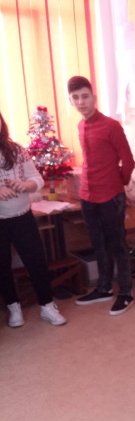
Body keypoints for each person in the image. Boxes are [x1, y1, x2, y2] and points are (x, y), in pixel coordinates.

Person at [67, 75, 135, 315]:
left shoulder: (111, 126)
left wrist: (119, 183)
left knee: (117, 244)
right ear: (71, 101)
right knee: (98, 244)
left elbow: (128, 160)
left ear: (93, 97)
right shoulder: (80, 126)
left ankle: (126, 292)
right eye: (76, 98)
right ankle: (104, 288)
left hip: (110, 195)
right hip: (87, 195)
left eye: (85, 96)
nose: (81, 102)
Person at [0, 112, 67, 327]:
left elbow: (36, 178)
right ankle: (13, 307)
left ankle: (47, 305)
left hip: (22, 216)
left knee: (36, 261)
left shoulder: (16, 150)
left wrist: (25, 185)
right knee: (2, 266)